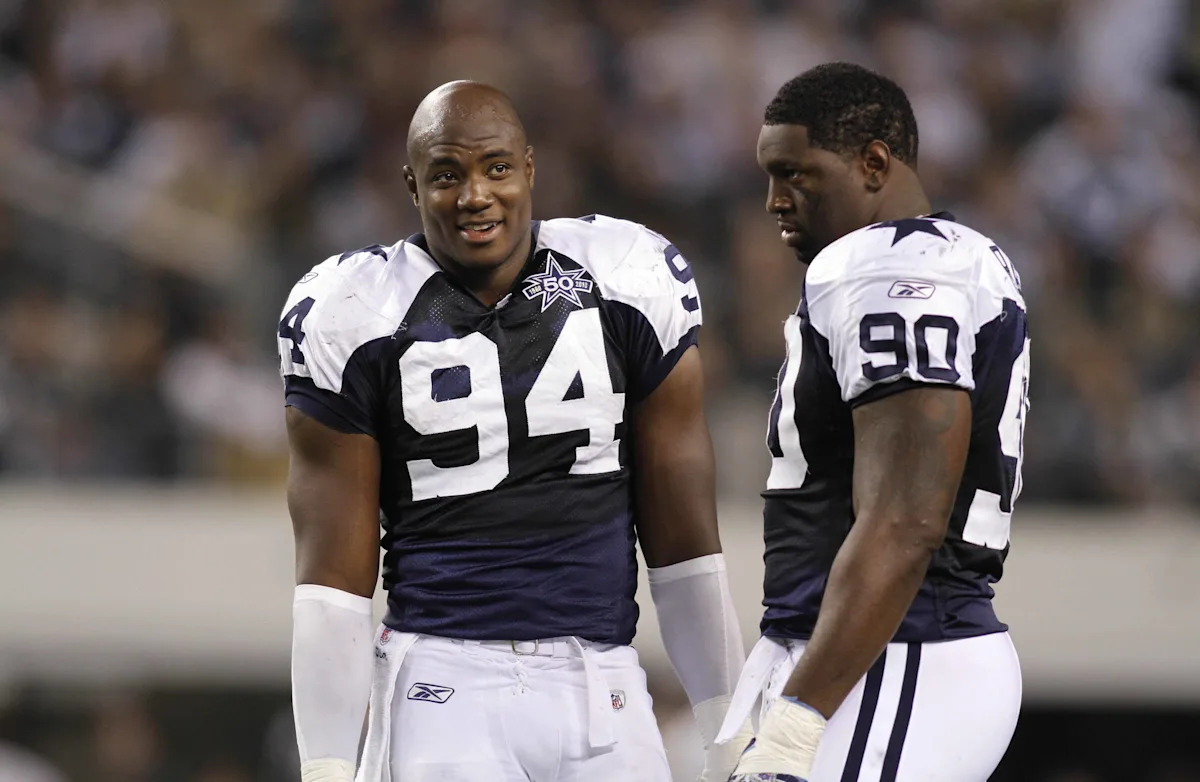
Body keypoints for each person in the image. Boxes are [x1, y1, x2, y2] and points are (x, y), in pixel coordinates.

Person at [277, 81, 751, 782]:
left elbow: (684, 546)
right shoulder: (355, 311)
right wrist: (325, 766)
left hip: (601, 680)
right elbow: (333, 583)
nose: (475, 195)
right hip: (443, 682)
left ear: (529, 168)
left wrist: (729, 729)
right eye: (447, 175)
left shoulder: (625, 276)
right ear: (411, 185)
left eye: (496, 168)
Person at [720, 63, 1028, 781]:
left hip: (897, 655)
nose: (775, 200)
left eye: (795, 174)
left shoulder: (891, 269)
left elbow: (905, 519)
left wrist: (799, 720)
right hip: (862, 654)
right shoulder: (930, 260)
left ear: (874, 164)